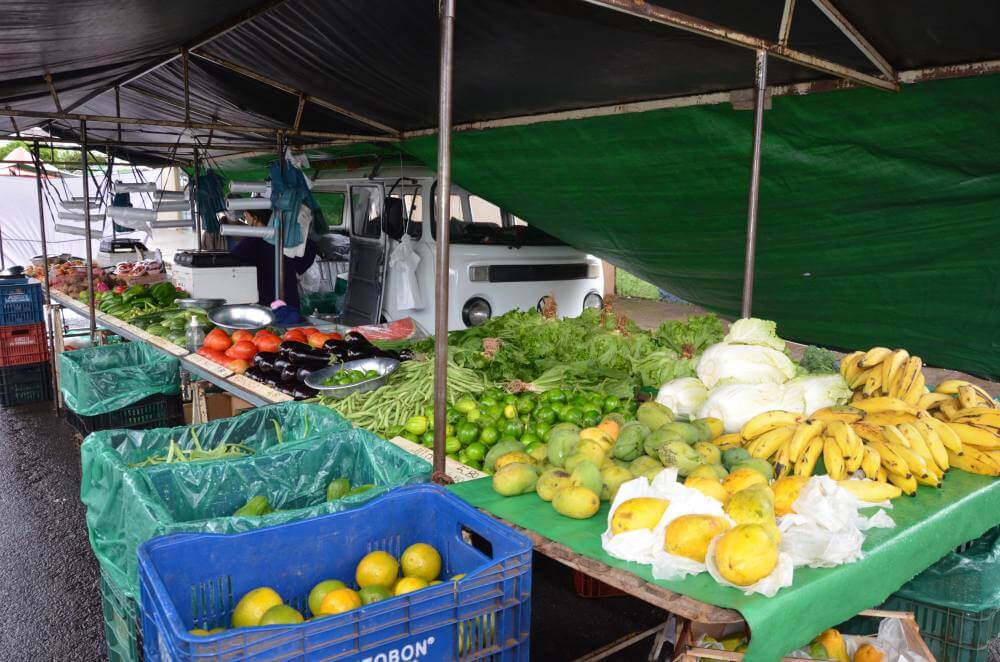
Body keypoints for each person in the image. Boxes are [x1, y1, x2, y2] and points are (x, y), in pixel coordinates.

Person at [229, 208, 318, 310]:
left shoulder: (251, 242)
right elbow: (310, 251)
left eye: (246, 216)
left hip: (264, 305)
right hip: (289, 302)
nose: (245, 219)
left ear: (255, 218)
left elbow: (231, 261)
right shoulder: (288, 238)